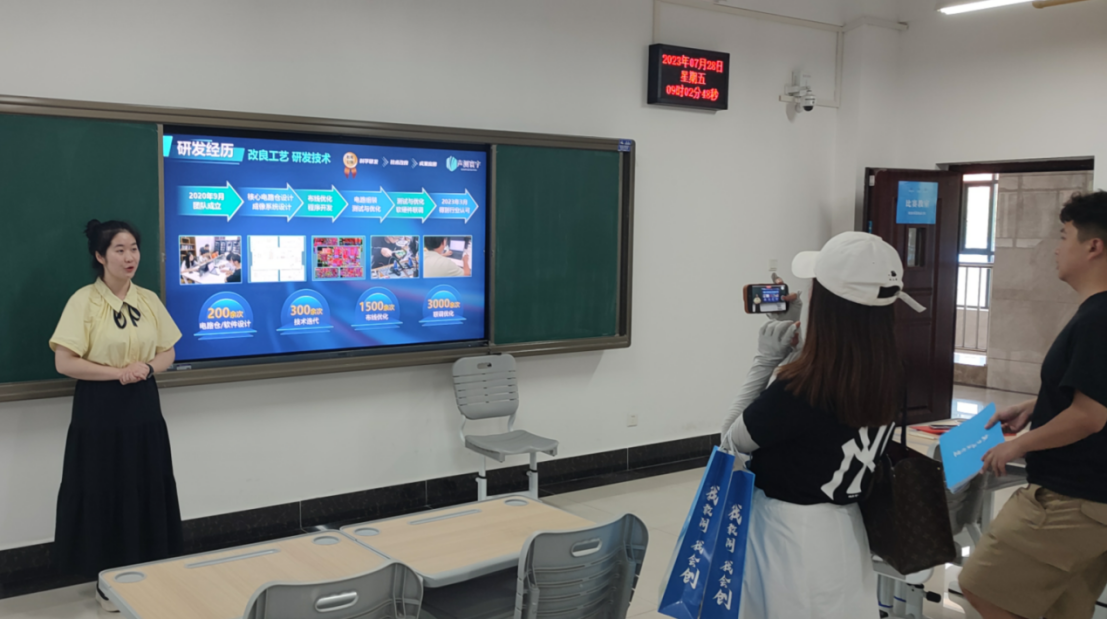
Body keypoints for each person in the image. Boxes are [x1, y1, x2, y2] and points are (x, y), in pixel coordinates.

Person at [722, 231, 926, 618]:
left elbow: (731, 439)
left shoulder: (800, 389)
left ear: (826, 305)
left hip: (787, 535)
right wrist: (803, 338)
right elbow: (835, 382)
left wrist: (766, 359)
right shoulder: (890, 373)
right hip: (845, 531)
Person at [960, 191, 1106, 619]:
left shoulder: (1099, 319)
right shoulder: (1095, 314)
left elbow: (1090, 416)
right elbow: (1094, 393)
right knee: (1062, 609)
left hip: (1069, 499)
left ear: (1093, 246)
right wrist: (1037, 405)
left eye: (1063, 236)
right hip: (1093, 503)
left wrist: (1017, 445)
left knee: (980, 585)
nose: (1056, 248)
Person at [49, 220, 184, 613]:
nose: (130, 257)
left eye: (134, 249)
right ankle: (107, 581)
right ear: (100, 256)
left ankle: (150, 572)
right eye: (120, 250)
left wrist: (146, 368)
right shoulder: (83, 302)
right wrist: (118, 373)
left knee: (146, 483)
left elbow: (169, 351)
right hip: (99, 408)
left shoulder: (148, 299)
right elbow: (64, 362)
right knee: (103, 487)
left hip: (143, 404)